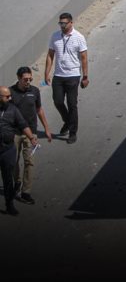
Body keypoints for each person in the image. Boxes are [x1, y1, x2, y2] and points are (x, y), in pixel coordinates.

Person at [44, 12, 88, 144]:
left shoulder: (79, 37)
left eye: (64, 23)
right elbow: (50, 55)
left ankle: (73, 132)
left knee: (72, 104)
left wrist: (85, 76)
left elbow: (84, 58)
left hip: (73, 76)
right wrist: (47, 73)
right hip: (58, 75)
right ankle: (68, 121)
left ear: (71, 23)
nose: (62, 26)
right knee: (57, 101)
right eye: (60, 23)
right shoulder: (55, 36)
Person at [10, 67, 52, 205]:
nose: (28, 82)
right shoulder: (10, 93)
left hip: (31, 133)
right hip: (14, 133)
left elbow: (39, 110)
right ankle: (16, 182)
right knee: (13, 162)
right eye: (25, 79)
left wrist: (46, 128)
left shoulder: (34, 91)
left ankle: (25, 192)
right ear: (18, 78)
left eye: (30, 79)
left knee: (29, 162)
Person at [1, 86, 39, 216]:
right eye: (7, 97)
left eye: (10, 96)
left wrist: (31, 137)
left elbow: (23, 124)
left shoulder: (13, 110)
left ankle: (9, 205)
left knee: (7, 180)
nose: (10, 98)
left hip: (7, 149)